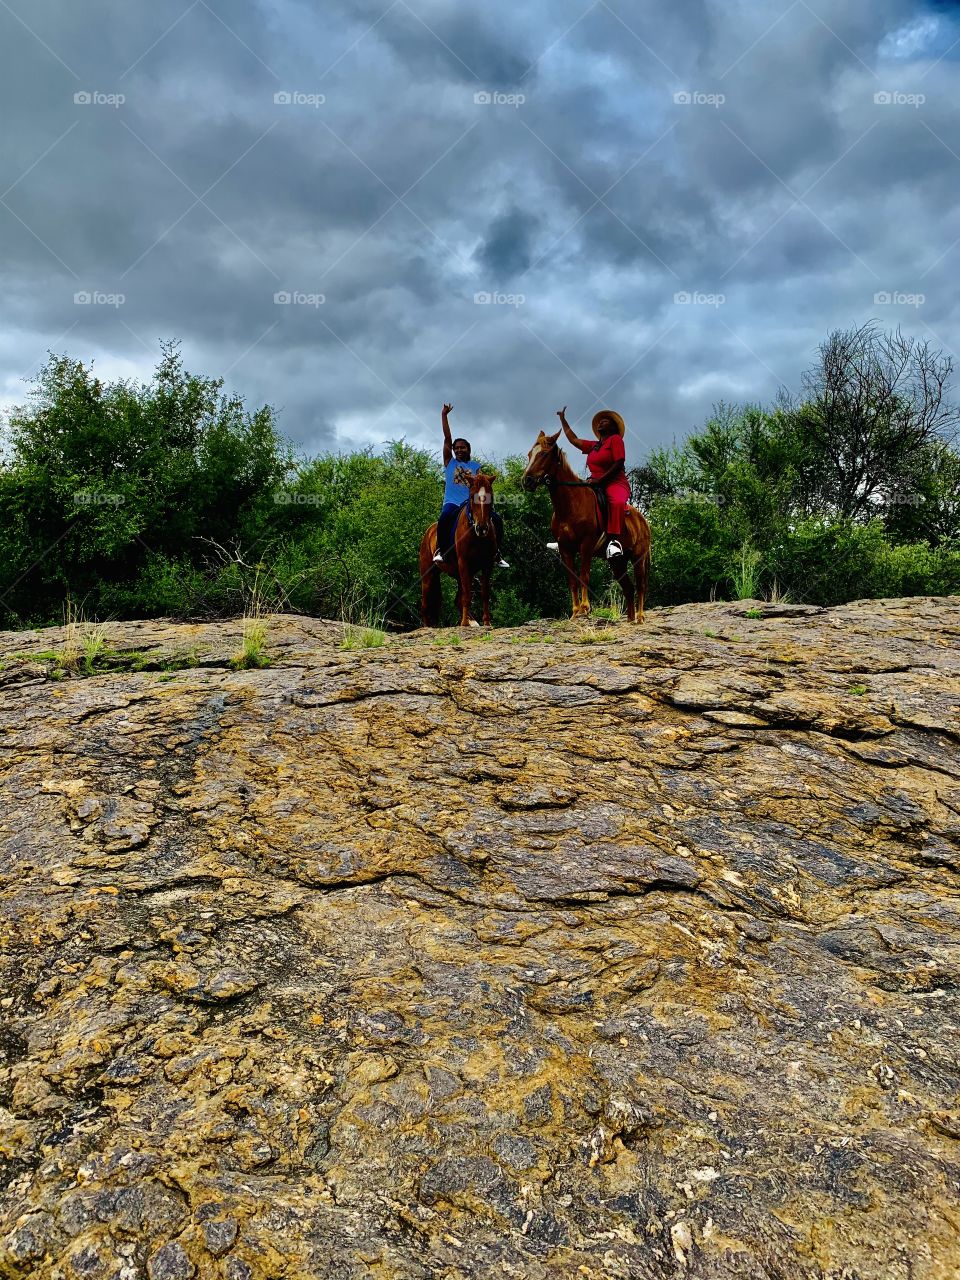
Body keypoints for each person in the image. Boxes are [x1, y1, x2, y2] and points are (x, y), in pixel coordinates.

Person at [433, 403, 508, 566]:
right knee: (444, 518)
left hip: (471, 503)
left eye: (463, 447)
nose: (459, 450)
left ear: (468, 449)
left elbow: (481, 486)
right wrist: (444, 416)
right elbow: (447, 439)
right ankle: (441, 550)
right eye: (456, 448)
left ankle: (496, 554)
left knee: (497, 520)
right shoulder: (449, 462)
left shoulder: (475, 466)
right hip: (452, 503)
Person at [556, 406, 631, 558]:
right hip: (594, 482)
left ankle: (614, 542)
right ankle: (564, 538)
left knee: (616, 502)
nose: (601, 423)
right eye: (600, 421)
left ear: (613, 428)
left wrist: (601, 480)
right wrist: (563, 420)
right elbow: (573, 440)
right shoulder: (594, 446)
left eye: (605, 421)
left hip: (615, 482)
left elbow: (619, 463)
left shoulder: (615, 440)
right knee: (574, 499)